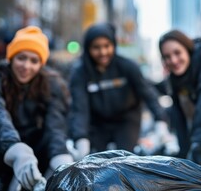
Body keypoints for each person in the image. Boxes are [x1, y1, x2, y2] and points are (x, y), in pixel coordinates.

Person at [68, 22, 169, 160]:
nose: (103, 52)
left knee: (126, 159)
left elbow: (148, 94)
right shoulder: (80, 73)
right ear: (88, 48)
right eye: (96, 47)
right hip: (97, 123)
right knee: (96, 162)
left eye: (106, 46)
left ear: (113, 45)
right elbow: (80, 109)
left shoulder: (128, 67)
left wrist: (160, 120)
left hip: (126, 119)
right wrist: (81, 139)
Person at [0, 26, 73, 191]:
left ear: (41, 64)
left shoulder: (52, 85)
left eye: (34, 61)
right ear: (11, 58)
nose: (26, 66)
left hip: (37, 158)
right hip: (2, 153)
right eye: (21, 58)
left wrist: (60, 156)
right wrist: (14, 149)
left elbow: (55, 125)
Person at [157, 30, 201, 167]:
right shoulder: (174, 78)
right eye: (167, 57)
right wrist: (183, 157)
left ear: (187, 49)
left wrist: (196, 157)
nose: (173, 60)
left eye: (177, 53)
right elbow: (178, 118)